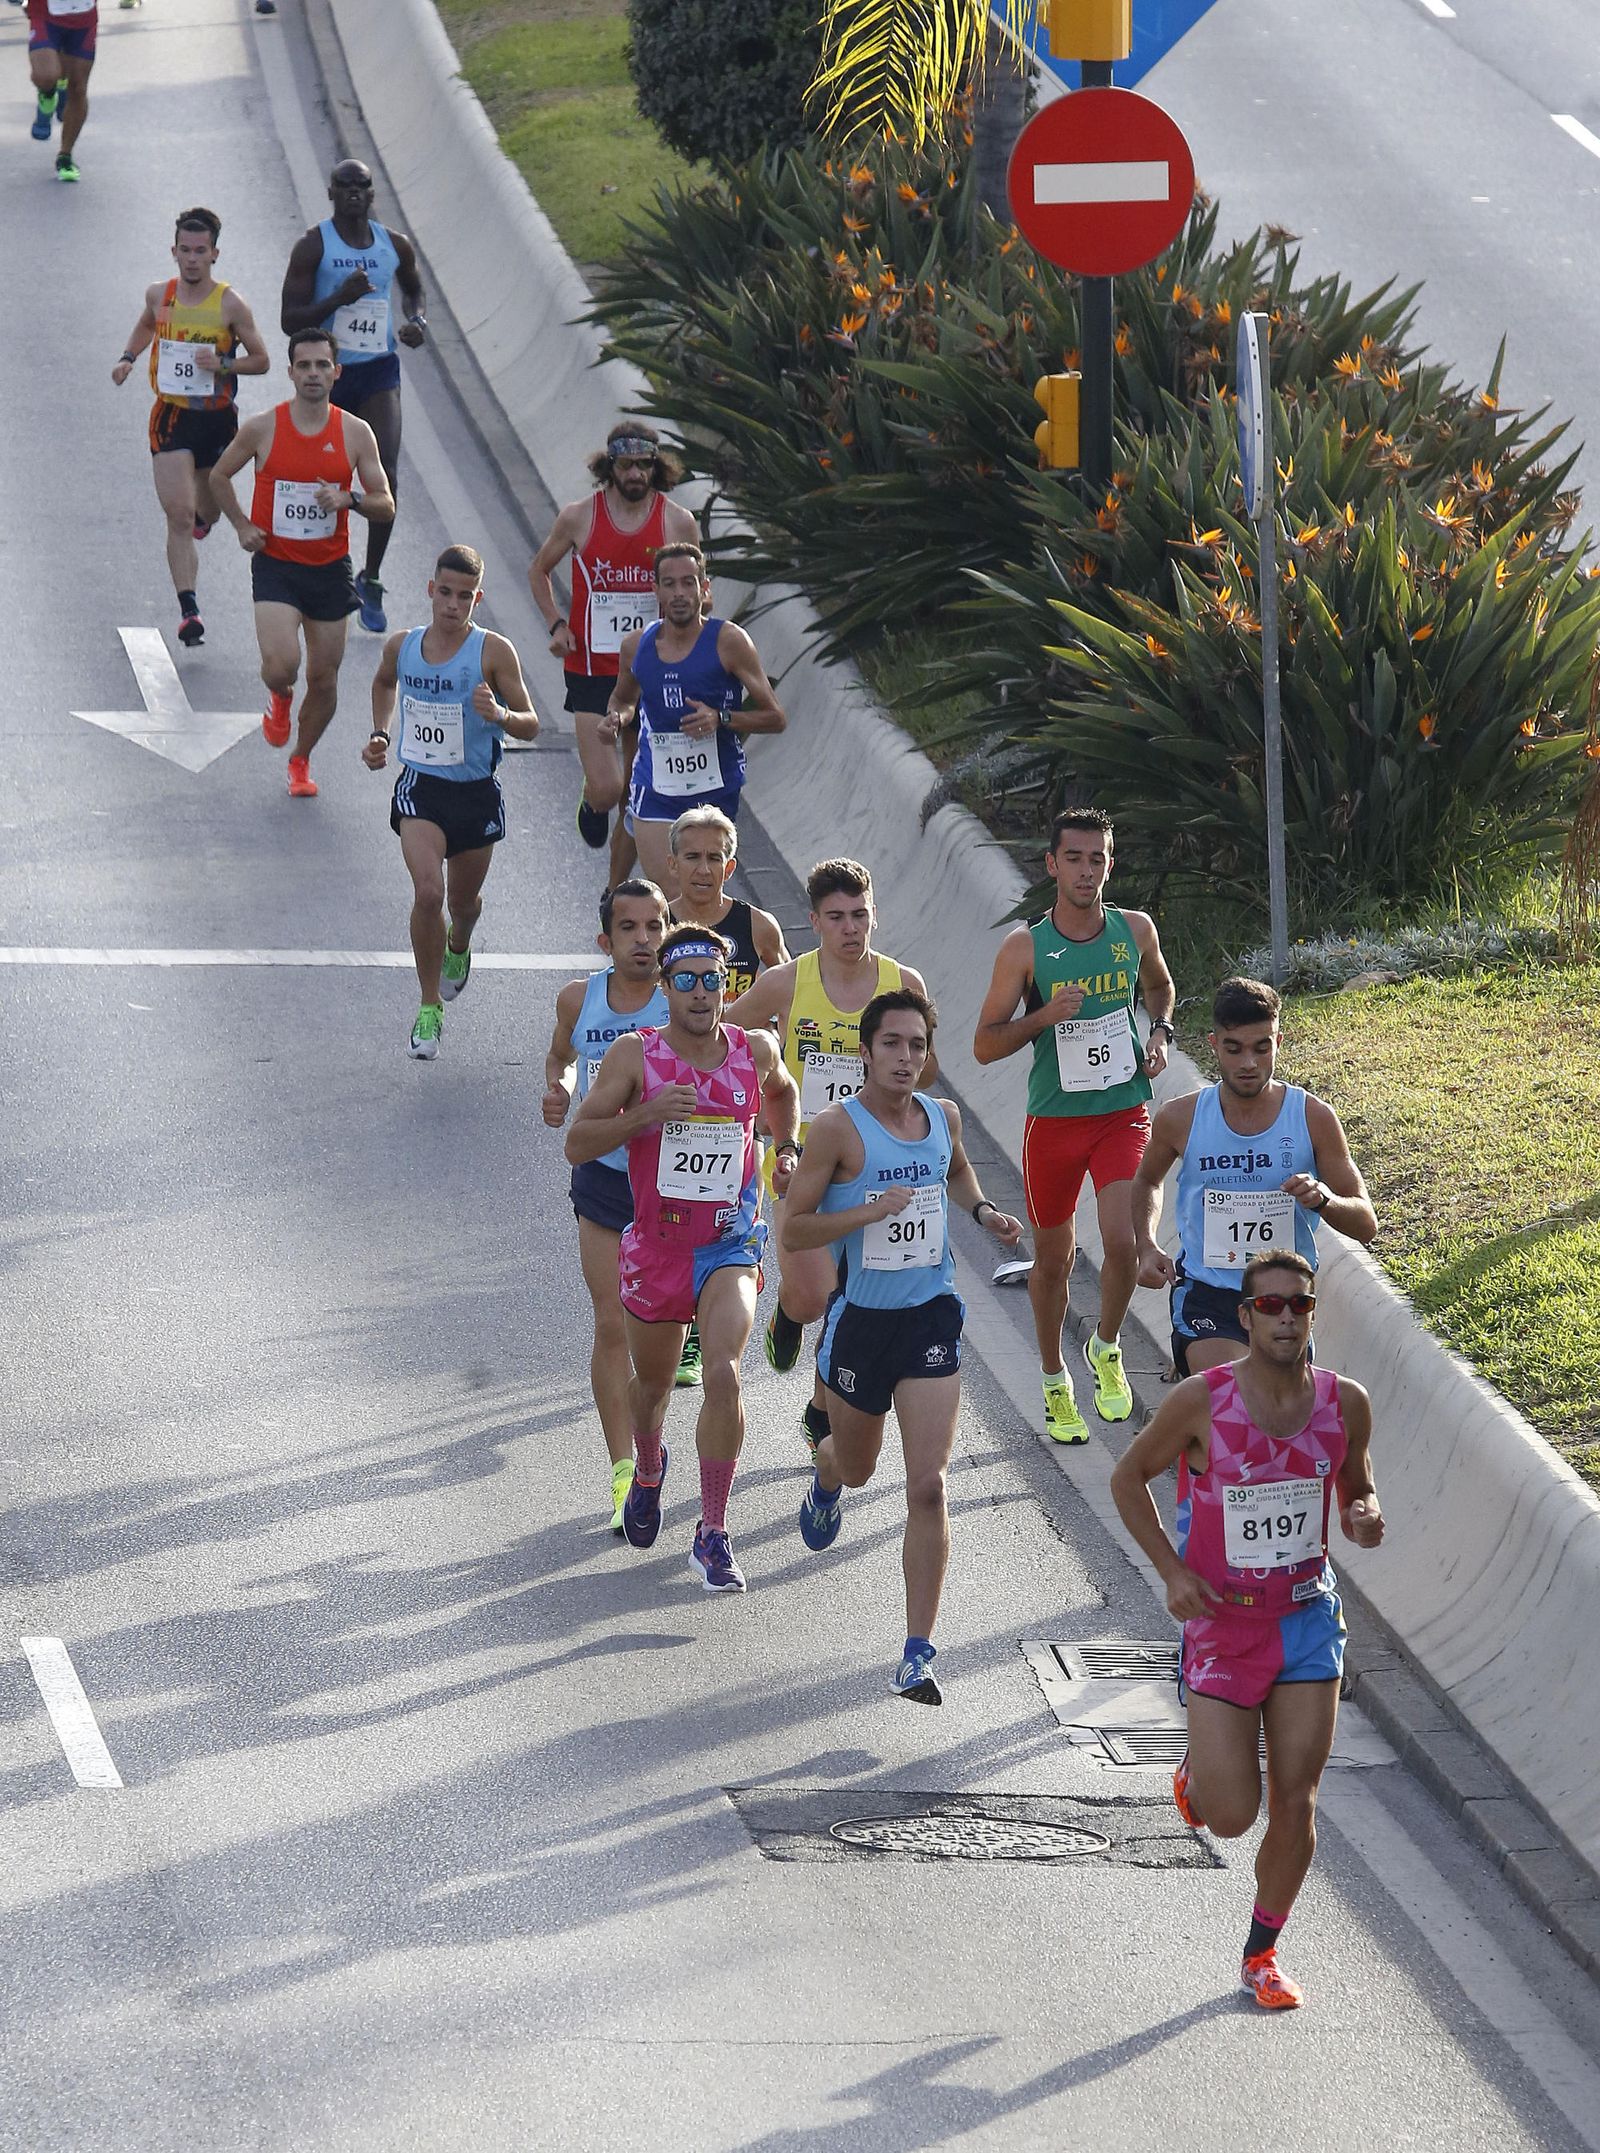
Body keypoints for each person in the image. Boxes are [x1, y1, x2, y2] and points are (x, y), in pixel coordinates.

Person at [1109, 1250, 1384, 2009]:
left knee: (1298, 1798)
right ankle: (1199, 1775)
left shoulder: (1344, 1403)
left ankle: (1262, 1952)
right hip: (1222, 1625)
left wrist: (1363, 1515)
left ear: (1313, 1312)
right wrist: (1171, 1570)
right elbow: (1127, 1478)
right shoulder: (1202, 1402)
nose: (1286, 1316)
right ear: (1245, 1316)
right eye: (1270, 1306)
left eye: (1299, 1304)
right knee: (1231, 1816)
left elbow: (1357, 1485)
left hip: (1304, 1621)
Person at [783, 989, 1022, 1704]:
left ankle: (917, 1652)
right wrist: (867, 1209)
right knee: (856, 1469)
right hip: (861, 1323)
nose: (906, 1057)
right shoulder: (836, 1130)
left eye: (918, 1045)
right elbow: (795, 1228)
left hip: (929, 1318)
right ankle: (825, 1476)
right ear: (866, 1050)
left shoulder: (942, 1117)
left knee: (929, 1483)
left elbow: (952, 1171)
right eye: (892, 1043)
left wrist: (981, 1210)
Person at [565, 925, 800, 1594]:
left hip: (730, 1243)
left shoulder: (754, 1048)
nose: (701, 992)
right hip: (658, 1248)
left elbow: (783, 1093)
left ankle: (714, 1531)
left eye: (712, 979)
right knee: (653, 1389)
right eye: (687, 980)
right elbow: (578, 1141)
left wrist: (787, 1147)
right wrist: (643, 1116)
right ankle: (646, 1466)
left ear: (728, 985)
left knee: (724, 1373)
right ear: (666, 987)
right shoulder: (636, 1057)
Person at [973, 807, 1175, 1444]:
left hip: (1121, 1113)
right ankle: (1054, 1378)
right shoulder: (1025, 948)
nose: (1087, 871)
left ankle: (1107, 1348)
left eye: (1099, 859)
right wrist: (1045, 1017)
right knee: (1053, 1261)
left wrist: (1161, 1032)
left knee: (1120, 1240)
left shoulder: (1135, 930)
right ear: (1052, 865)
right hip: (1054, 1123)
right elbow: (984, 1044)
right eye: (1075, 859)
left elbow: (1161, 987)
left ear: (1110, 865)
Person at [728, 858, 930, 1454]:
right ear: (814, 921)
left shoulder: (902, 983)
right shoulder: (787, 982)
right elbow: (721, 1043)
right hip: (802, 1158)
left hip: (876, 1162)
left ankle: (821, 1408)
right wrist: (754, 1110)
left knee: (853, 1297)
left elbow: (929, 1065)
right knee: (817, 1294)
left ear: (874, 916)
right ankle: (789, 1315)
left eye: (860, 915)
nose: (850, 928)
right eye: (836, 917)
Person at [1130, 976, 1377, 1376]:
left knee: (1272, 1424)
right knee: (1233, 1393)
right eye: (1234, 1048)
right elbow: (1146, 1181)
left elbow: (1366, 1223)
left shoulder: (1313, 1117)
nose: (1248, 1063)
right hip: (1207, 1294)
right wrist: (1146, 1244)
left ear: (1278, 1043)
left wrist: (1324, 1199)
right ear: (1214, 1045)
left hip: (1285, 1303)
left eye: (1262, 1048)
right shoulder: (1180, 1118)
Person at [362, 546, 539, 1058]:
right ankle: (428, 1006)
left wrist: (502, 715)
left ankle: (460, 942)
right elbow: (382, 682)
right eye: (445, 593)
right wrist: (379, 733)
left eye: (464, 597)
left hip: (476, 794)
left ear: (476, 598)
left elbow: (530, 722)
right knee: (426, 895)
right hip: (421, 789)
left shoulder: (493, 652)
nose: (452, 605)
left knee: (461, 904)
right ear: (430, 590)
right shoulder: (404, 646)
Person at [209, 327, 394, 798]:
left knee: (325, 678)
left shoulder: (355, 432)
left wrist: (348, 498)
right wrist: (242, 526)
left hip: (330, 569)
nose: (313, 373)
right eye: (304, 365)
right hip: (277, 565)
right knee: (281, 666)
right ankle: (279, 697)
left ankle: (300, 759)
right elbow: (219, 476)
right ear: (291, 372)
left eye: (322, 365)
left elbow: (385, 504)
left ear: (337, 372)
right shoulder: (262, 427)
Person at [543, 880, 672, 1531]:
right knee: (609, 1323)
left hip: (671, 1186)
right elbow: (561, 1059)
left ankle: (649, 1445)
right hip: (603, 1176)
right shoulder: (579, 999)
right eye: (630, 927)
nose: (644, 939)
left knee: (658, 1337)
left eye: (655, 926)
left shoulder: (688, 1001)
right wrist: (559, 1090)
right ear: (606, 939)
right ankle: (624, 1471)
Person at [527, 421, 699, 883]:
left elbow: (699, 589)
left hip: (652, 669)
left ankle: (616, 891)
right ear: (610, 466)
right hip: (592, 667)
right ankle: (591, 796)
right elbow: (539, 571)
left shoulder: (677, 522)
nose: (636, 473)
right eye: (627, 464)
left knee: (636, 797)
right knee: (608, 790)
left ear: (656, 467)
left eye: (645, 464)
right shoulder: (580, 517)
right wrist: (556, 623)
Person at [111, 209, 271, 651]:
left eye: (201, 251)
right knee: (179, 515)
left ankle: (206, 518)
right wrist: (128, 357)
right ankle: (189, 610)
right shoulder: (159, 295)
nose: (193, 260)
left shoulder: (230, 304)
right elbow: (148, 323)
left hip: (217, 419)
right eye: (186, 250)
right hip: (172, 416)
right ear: (174, 251)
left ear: (214, 253)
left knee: (208, 509)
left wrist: (223, 363)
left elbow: (262, 360)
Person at [280, 160, 426, 633]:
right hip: (330, 372)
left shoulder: (393, 245)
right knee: (320, 475)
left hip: (379, 368)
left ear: (372, 192)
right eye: (345, 186)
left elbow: (414, 292)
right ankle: (319, 567)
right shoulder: (314, 246)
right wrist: (337, 299)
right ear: (331, 192)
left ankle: (373, 575)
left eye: (362, 186)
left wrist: (417, 321)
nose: (355, 194)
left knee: (385, 471)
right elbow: (289, 319)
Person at [604, 544, 785, 897]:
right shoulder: (636, 647)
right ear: (655, 591)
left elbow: (774, 717)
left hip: (715, 786)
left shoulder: (729, 642)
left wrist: (722, 718)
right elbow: (623, 700)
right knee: (670, 890)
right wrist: (614, 718)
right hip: (655, 784)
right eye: (669, 585)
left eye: (688, 583)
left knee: (699, 894)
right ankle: (624, 919)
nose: (679, 594)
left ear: (705, 588)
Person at [667, 805, 788, 1000]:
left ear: (729, 868)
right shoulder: (656, 925)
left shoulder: (759, 925)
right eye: (692, 857)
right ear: (673, 864)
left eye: (714, 858)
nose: (704, 870)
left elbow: (793, 993)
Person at [26, 0, 95, 182]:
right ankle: (48, 94)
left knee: (78, 88)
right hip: (45, 15)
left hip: (83, 20)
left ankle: (65, 155)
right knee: (46, 76)